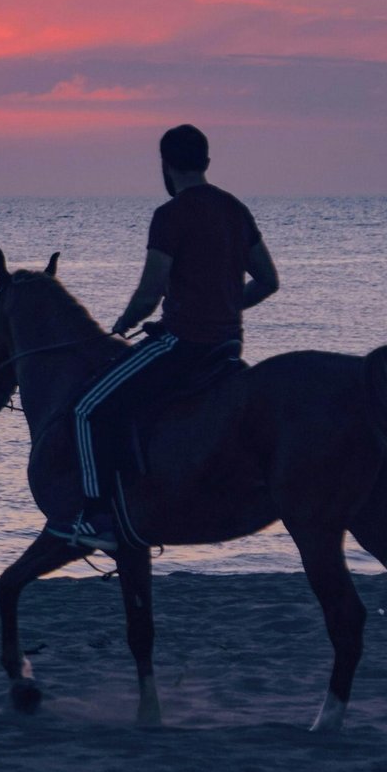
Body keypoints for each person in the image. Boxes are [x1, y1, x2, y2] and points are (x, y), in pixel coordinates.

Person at [47, 124, 279, 552]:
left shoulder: (171, 216)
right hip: (228, 347)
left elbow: (150, 293)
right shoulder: (235, 209)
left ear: (165, 166)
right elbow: (268, 281)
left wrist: (120, 323)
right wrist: (226, 308)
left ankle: (98, 517)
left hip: (182, 345)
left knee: (86, 408)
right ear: (206, 163)